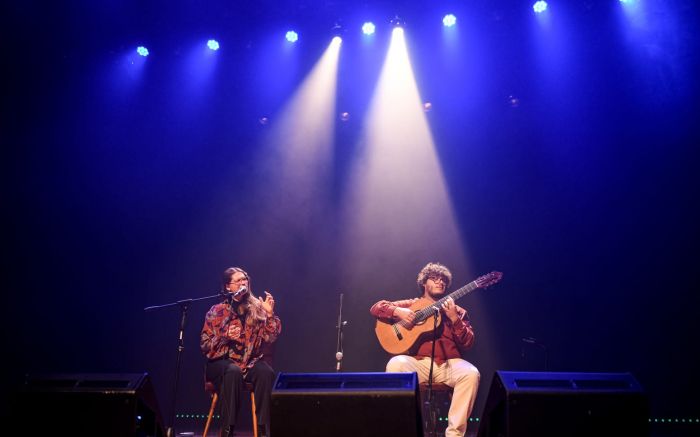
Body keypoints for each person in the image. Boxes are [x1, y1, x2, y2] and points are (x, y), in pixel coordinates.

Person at [370, 262, 479, 437]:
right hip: (418, 363)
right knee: (396, 364)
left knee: (471, 373)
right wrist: (398, 311)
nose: (440, 282)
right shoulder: (412, 304)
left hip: (449, 365)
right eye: (434, 278)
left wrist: (454, 319)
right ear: (424, 283)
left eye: (443, 280)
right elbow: (376, 308)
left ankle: (454, 435)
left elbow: (468, 343)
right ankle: (403, 428)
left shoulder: (458, 312)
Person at [201, 267, 281, 437]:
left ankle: (263, 430)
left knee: (265, 372)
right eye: (238, 280)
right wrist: (224, 336)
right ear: (228, 286)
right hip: (221, 363)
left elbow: (271, 337)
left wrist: (270, 314)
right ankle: (228, 430)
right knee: (232, 372)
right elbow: (205, 346)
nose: (243, 282)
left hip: (248, 362)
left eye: (245, 279)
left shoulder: (257, 308)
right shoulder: (217, 311)